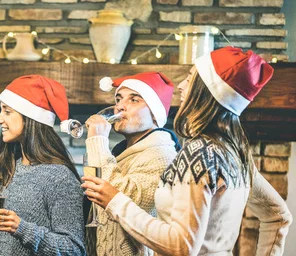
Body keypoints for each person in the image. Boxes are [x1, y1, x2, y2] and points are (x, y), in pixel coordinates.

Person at [83, 46, 293, 255]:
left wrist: (116, 202)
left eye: (191, 77)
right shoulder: (236, 152)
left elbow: (182, 246)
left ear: (207, 91)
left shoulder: (200, 152)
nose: (182, 86)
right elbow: (278, 216)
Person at [0, 75, 85, 256]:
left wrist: (21, 228)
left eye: (7, 111)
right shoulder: (11, 168)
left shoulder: (60, 177)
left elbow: (74, 249)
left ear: (30, 118)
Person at [83, 72, 180, 255]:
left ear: (154, 113)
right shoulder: (119, 153)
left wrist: (97, 141)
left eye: (134, 100)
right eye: (118, 99)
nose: (119, 107)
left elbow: (124, 203)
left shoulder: (161, 155)